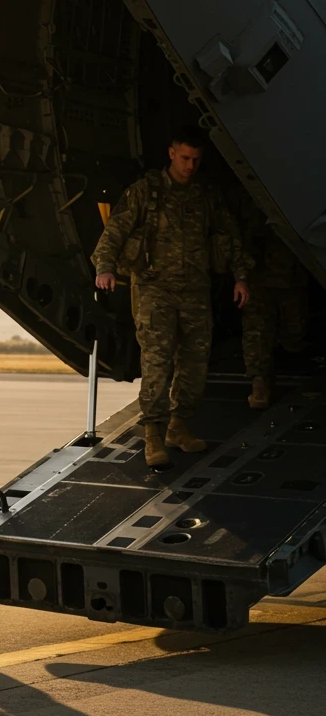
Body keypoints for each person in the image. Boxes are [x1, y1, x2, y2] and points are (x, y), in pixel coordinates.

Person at [92, 126, 252, 468]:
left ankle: (179, 426)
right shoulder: (145, 192)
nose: (190, 165)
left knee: (195, 362)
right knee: (157, 361)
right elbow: (114, 232)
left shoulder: (206, 195)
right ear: (170, 153)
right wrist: (104, 268)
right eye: (184, 158)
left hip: (195, 290)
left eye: (195, 160)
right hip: (154, 290)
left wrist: (241, 278)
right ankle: (153, 434)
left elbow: (229, 236)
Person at [231, 188, 309, 409]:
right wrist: (242, 275)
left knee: (294, 332)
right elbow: (240, 233)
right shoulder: (253, 192)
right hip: (259, 272)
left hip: (292, 273)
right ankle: (259, 382)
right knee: (256, 332)